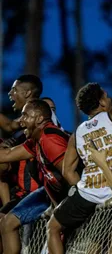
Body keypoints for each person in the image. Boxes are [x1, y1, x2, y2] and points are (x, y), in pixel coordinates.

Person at [47, 82, 112, 254]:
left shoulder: (78, 133)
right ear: (102, 103)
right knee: (100, 243)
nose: (109, 99)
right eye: (107, 96)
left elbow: (67, 171)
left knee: (53, 227)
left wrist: (84, 187)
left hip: (86, 194)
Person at [0, 100, 69, 254]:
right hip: (49, 192)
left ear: (39, 119)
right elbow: (7, 154)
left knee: (54, 230)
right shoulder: (35, 141)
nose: (21, 120)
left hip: (66, 195)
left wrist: (64, 206)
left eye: (25, 115)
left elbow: (69, 174)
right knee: (7, 223)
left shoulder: (50, 138)